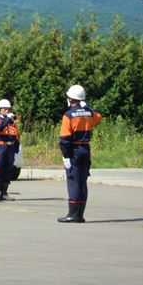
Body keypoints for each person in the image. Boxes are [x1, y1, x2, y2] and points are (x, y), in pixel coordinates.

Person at [58, 85, 102, 223]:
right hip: (85, 150)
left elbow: (65, 139)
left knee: (73, 182)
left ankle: (73, 214)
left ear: (70, 99)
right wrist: (87, 108)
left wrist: (65, 156)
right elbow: (98, 118)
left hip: (74, 151)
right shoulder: (89, 113)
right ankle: (80, 214)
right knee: (82, 182)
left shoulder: (68, 115)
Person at [0, 99, 20, 202]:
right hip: (0, 148)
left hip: (10, 148)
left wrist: (16, 149)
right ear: (0, 110)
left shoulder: (12, 123)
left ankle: (4, 193)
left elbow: (17, 136)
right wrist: (7, 119)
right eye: (4, 109)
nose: (7, 111)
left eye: (8, 109)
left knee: (8, 171)